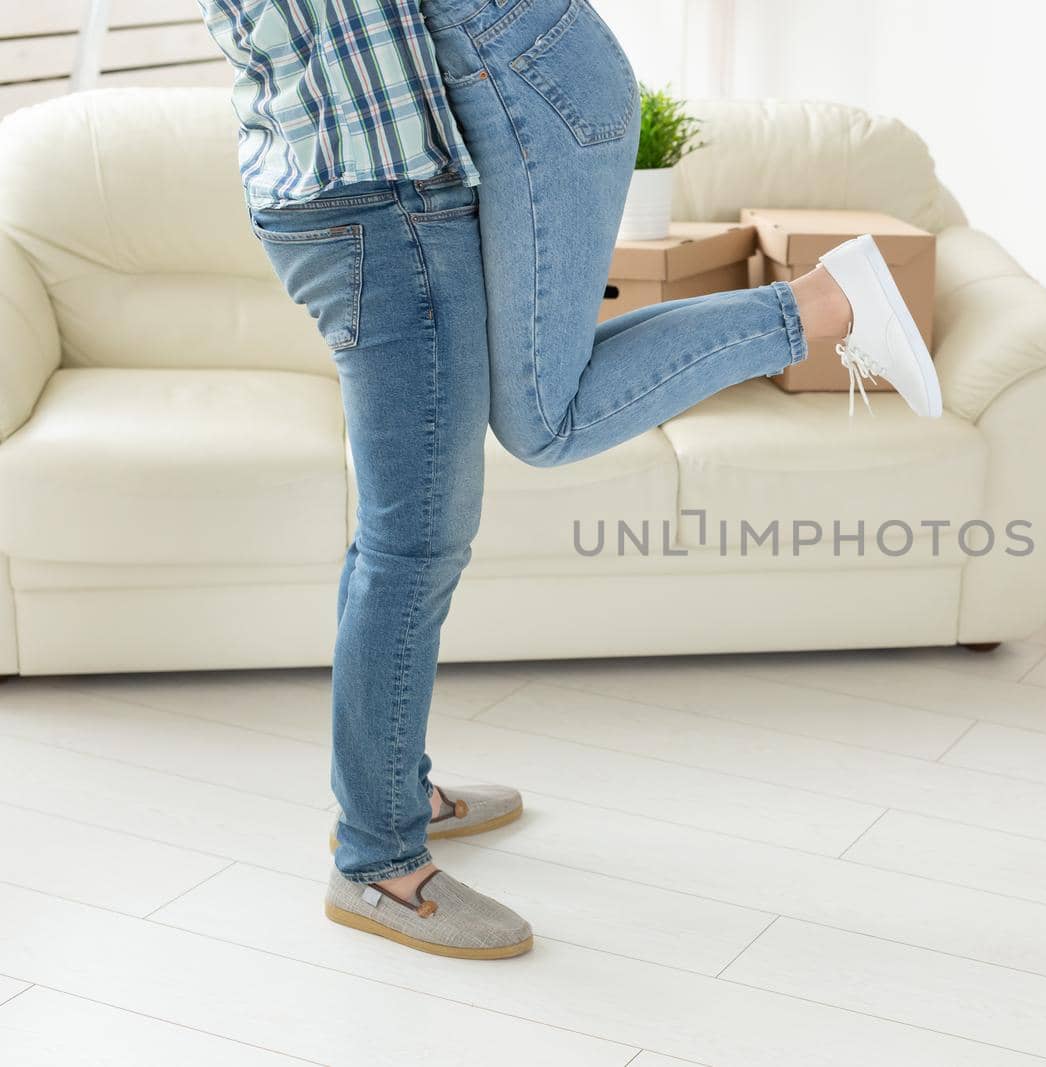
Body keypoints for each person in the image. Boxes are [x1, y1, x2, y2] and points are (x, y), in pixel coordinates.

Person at [201, 0, 940, 960]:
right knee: (417, 536)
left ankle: (391, 794)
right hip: (374, 204)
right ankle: (378, 859)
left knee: (448, 501)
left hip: (371, 187)